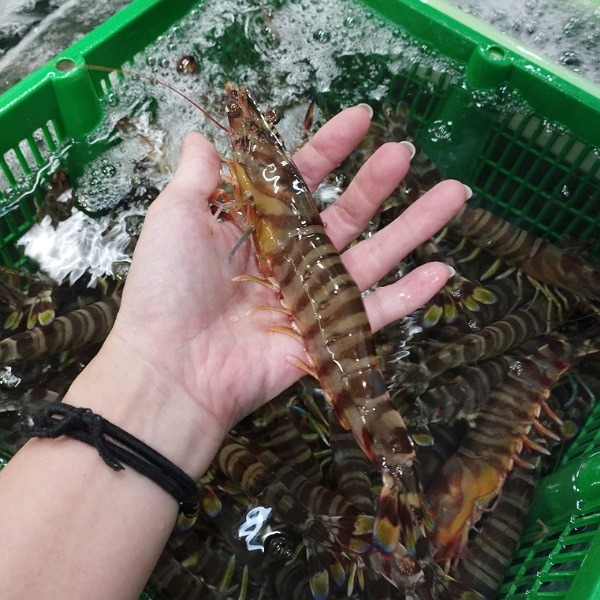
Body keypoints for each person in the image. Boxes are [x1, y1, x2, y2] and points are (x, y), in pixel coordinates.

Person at [0, 104, 468, 599]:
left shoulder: (256, 207)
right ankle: (401, 486)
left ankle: (398, 483)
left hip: (319, 299)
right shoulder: (272, 203)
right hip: (318, 292)